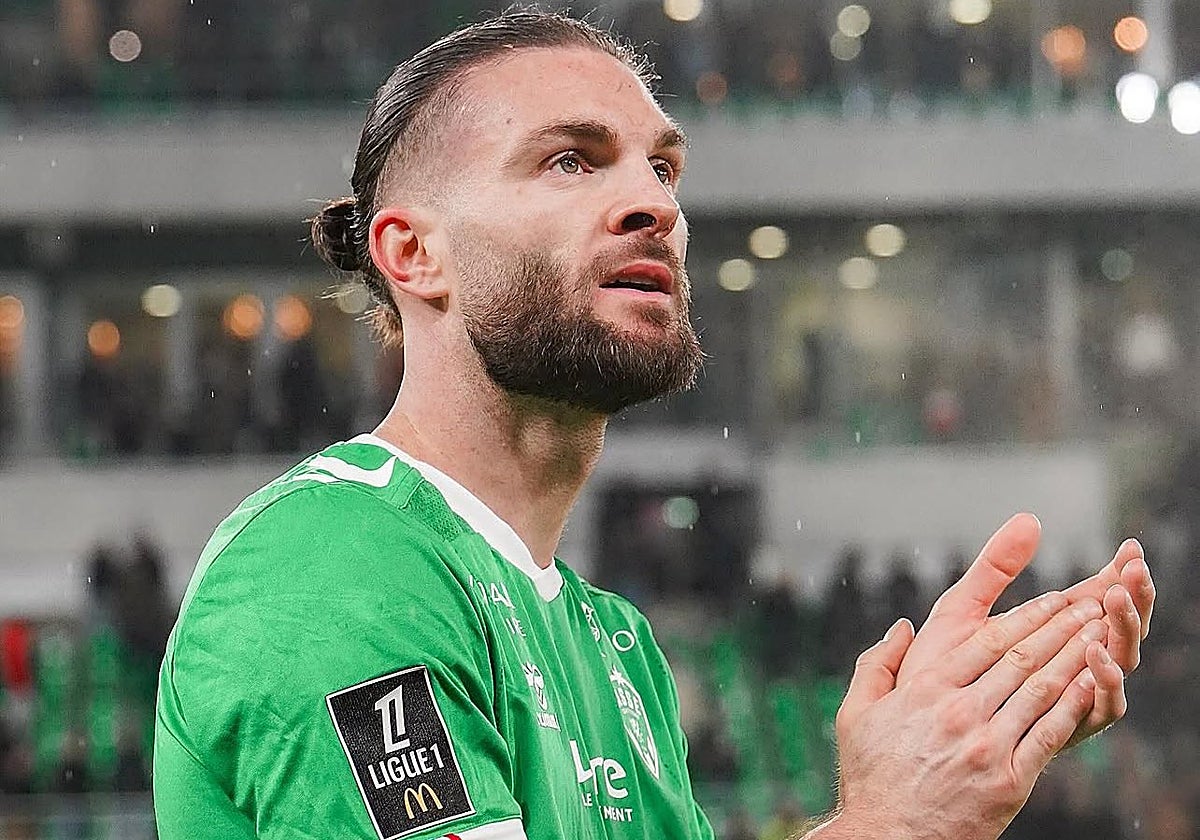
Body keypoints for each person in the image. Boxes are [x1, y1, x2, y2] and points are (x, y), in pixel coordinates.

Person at [152, 10, 1156, 840]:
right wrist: (889, 824)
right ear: (414, 255)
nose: (654, 204)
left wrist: (899, 793)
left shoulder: (616, 644)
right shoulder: (331, 566)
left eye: (663, 169)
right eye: (569, 162)